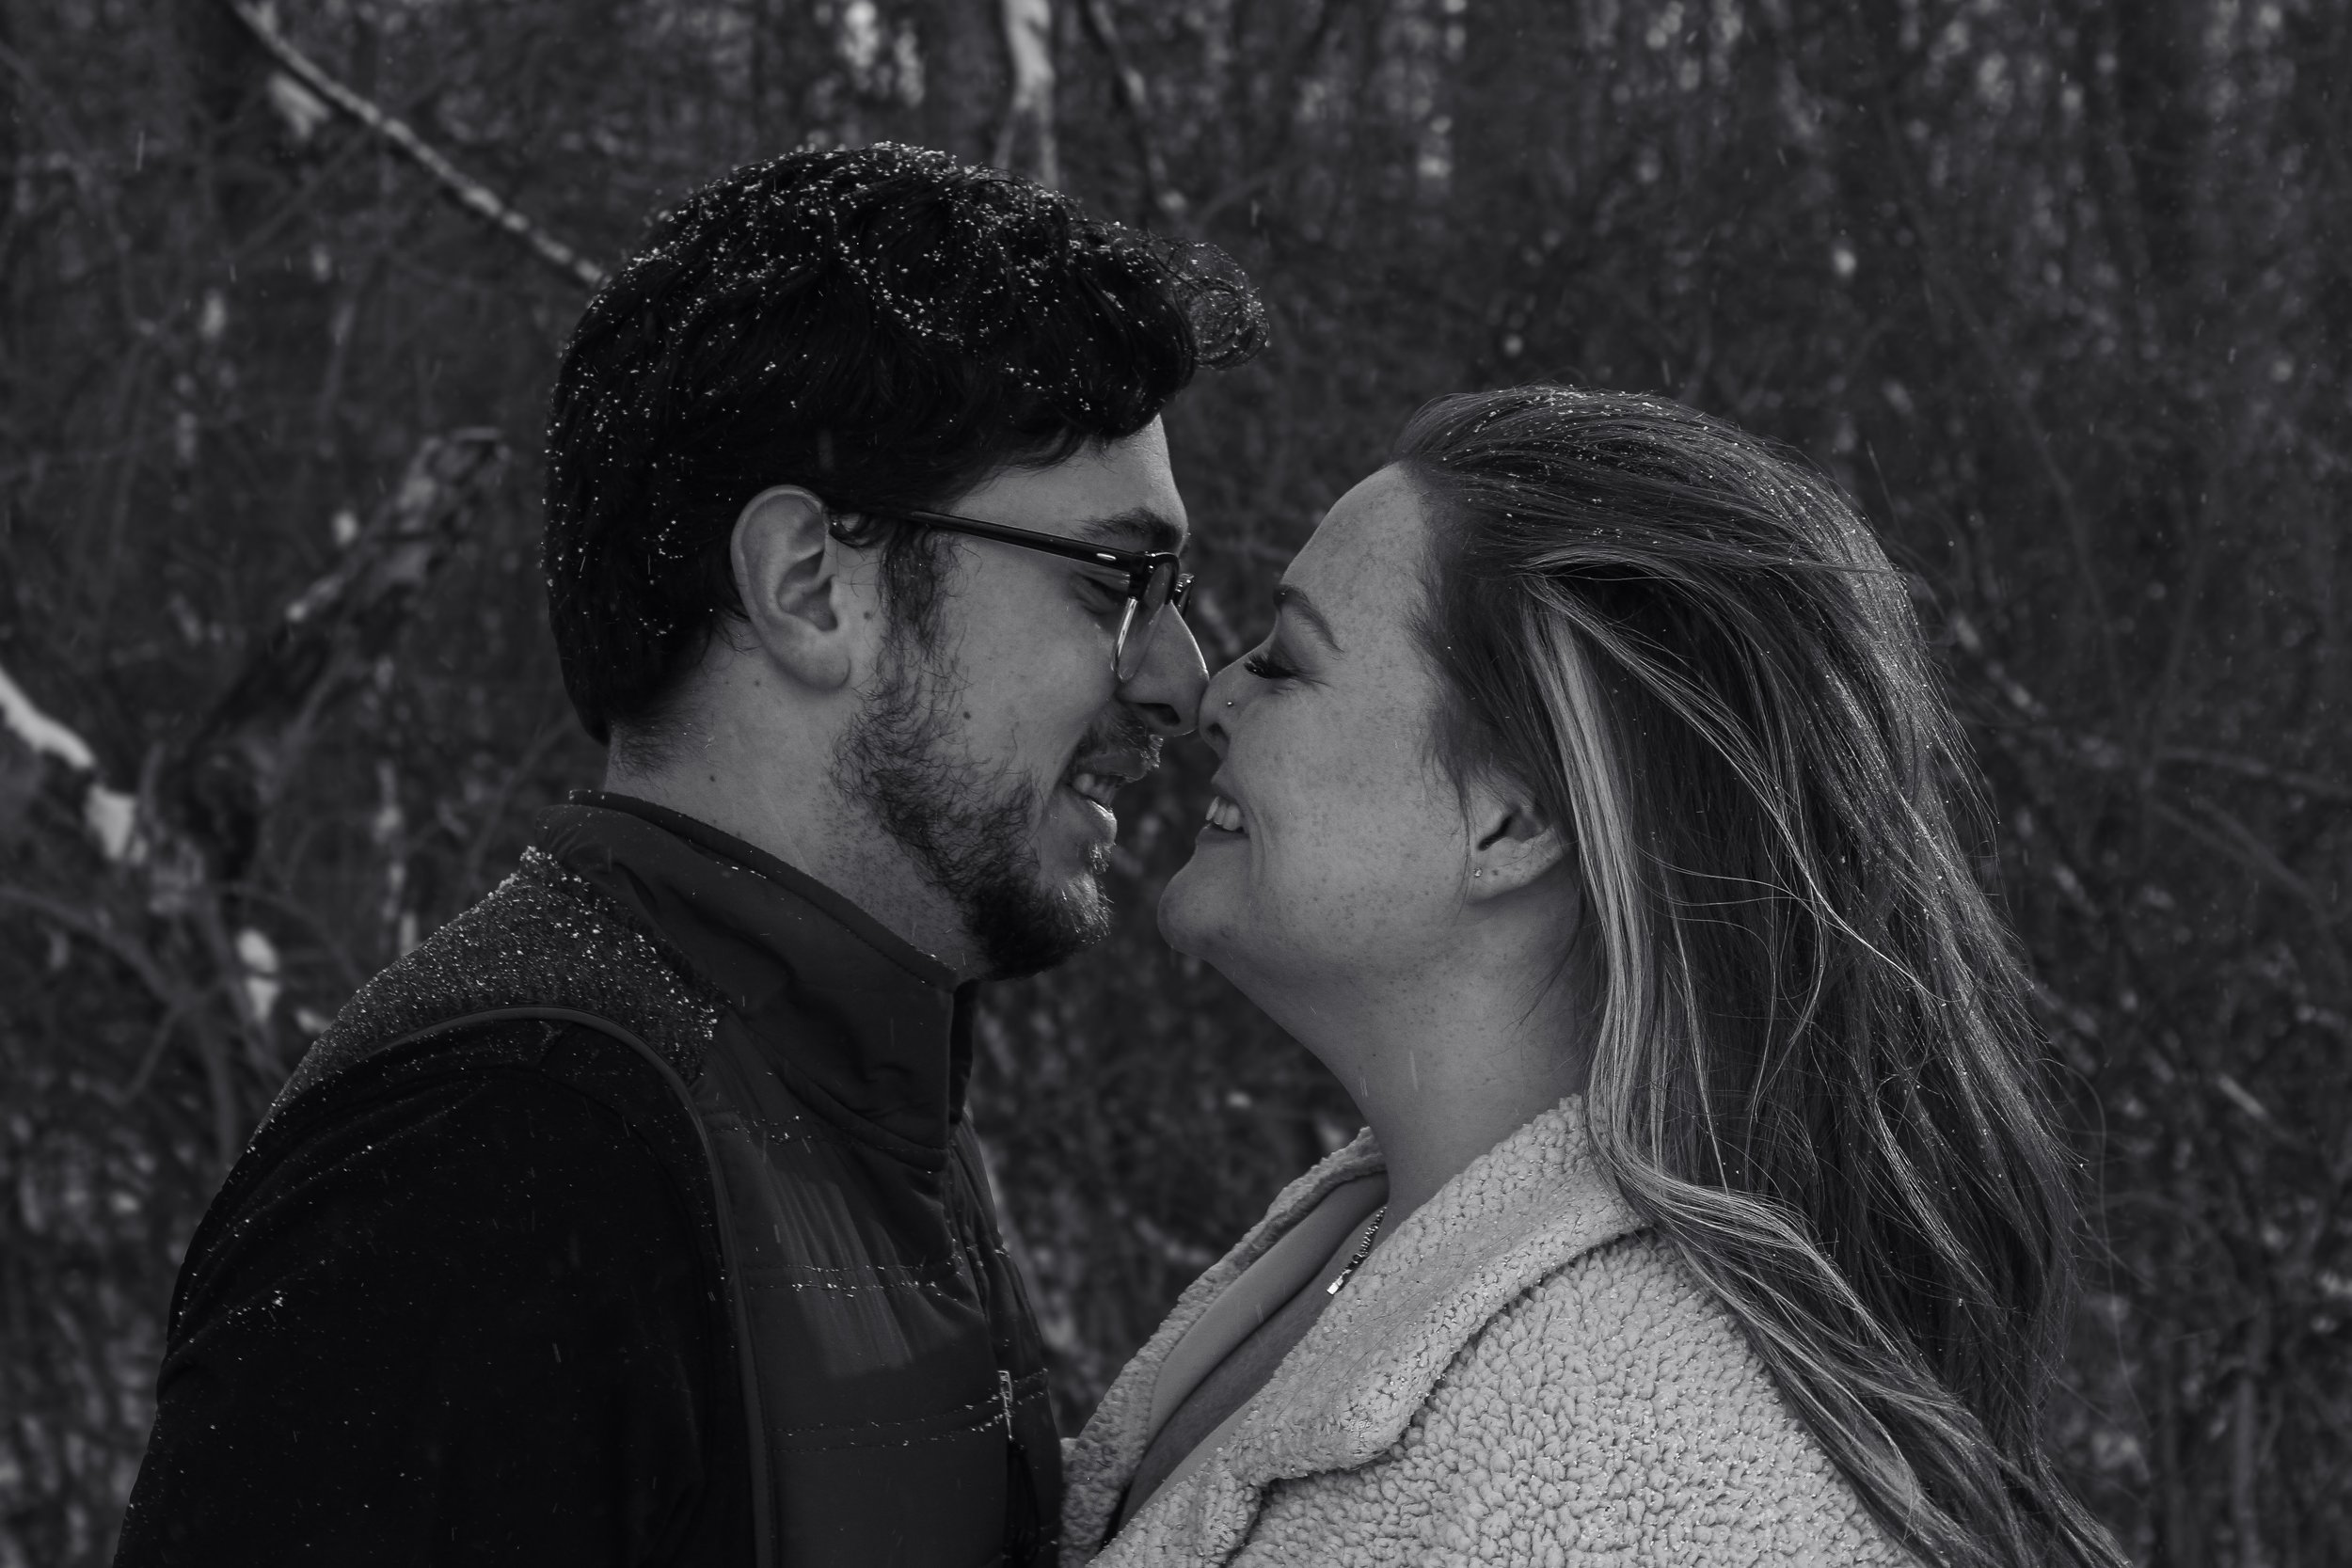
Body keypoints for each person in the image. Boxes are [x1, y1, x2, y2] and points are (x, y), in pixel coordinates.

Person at [114, 144, 1262, 1567]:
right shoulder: (493, 1162)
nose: (1182, 680)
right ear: (807, 582)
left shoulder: (846, 1099)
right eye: (1113, 581)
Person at [1062, 387, 2127, 1568]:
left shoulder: (1618, 1462)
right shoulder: (1379, 1255)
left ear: (1511, 818)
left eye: (1286, 658)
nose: (1213, 697)